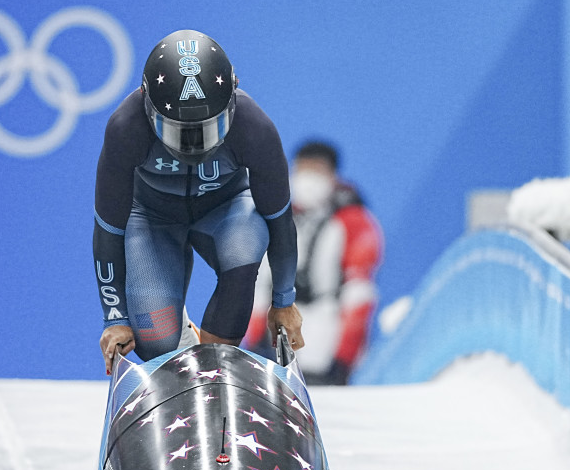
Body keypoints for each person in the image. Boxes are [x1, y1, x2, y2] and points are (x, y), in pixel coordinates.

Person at [92, 30, 303, 373]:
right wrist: (114, 318)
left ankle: (217, 366)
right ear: (148, 107)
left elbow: (279, 219)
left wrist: (284, 303)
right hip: (152, 219)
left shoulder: (255, 127)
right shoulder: (125, 128)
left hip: (227, 210)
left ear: (232, 102)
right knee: (155, 343)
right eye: (176, 130)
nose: (193, 145)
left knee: (246, 242)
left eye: (211, 127)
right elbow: (108, 230)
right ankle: (181, 340)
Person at [246, 141, 382, 385]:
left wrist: (343, 359)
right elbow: (261, 283)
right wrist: (255, 342)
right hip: (276, 337)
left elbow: (359, 293)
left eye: (316, 170)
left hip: (326, 335)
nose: (308, 179)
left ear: (332, 176)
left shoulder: (354, 222)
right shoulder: (275, 216)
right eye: (302, 169)